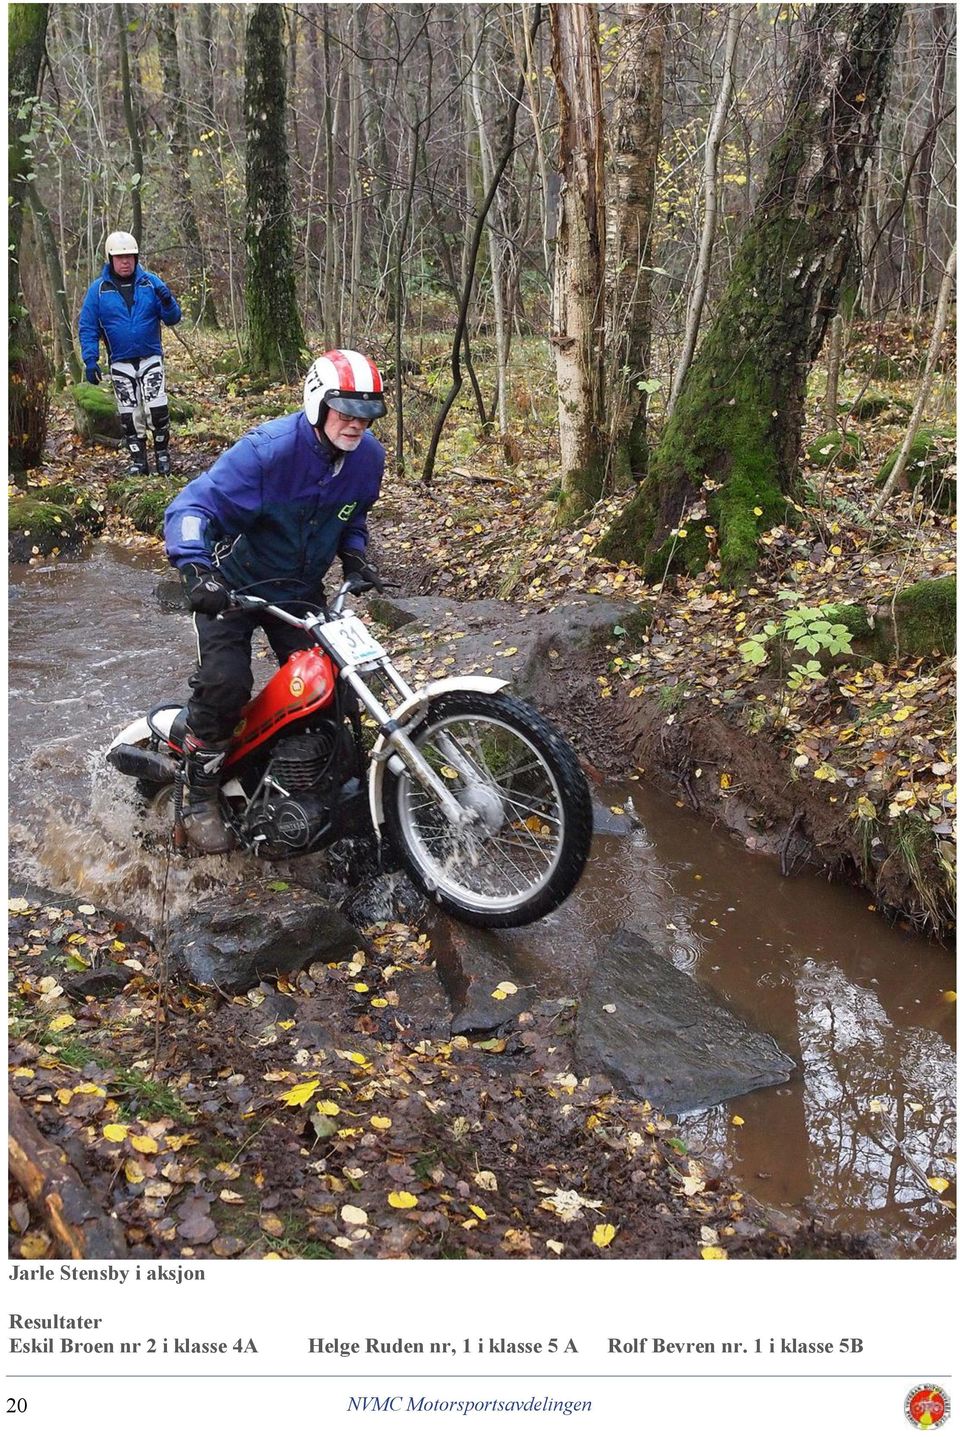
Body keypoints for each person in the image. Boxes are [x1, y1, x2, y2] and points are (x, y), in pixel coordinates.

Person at [163, 349, 387, 853]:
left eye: (367, 414)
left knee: (334, 686)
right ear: (317, 403)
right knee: (226, 684)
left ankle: (303, 778)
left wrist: (354, 556)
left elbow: (352, 516)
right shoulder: (266, 453)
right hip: (232, 586)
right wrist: (196, 568)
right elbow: (190, 507)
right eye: (346, 412)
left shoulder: (367, 459)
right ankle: (198, 791)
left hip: (298, 590)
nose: (357, 425)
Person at [78, 231, 182, 477]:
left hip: (150, 356)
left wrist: (168, 301)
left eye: (130, 257)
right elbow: (88, 326)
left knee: (157, 407)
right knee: (129, 412)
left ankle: (163, 456)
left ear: (136, 258)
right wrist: (90, 360)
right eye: (120, 257)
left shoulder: (150, 283)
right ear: (110, 259)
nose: (125, 261)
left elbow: (173, 318)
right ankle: (138, 461)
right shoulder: (99, 291)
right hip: (120, 361)